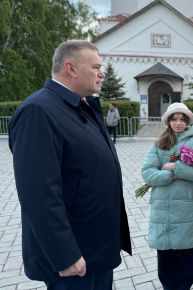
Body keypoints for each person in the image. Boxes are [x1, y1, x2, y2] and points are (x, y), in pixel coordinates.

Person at [8, 40, 131, 289]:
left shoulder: (79, 106)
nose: (102, 72)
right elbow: (39, 194)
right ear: (71, 68)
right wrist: (65, 254)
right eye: (95, 66)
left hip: (96, 248)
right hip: (74, 258)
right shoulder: (39, 111)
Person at [141, 103, 193, 290]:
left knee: (186, 253)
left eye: (181, 119)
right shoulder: (159, 143)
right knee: (165, 255)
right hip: (163, 209)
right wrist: (173, 175)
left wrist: (174, 167)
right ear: (169, 121)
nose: (178, 123)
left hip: (186, 209)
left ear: (187, 121)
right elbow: (147, 173)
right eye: (174, 119)